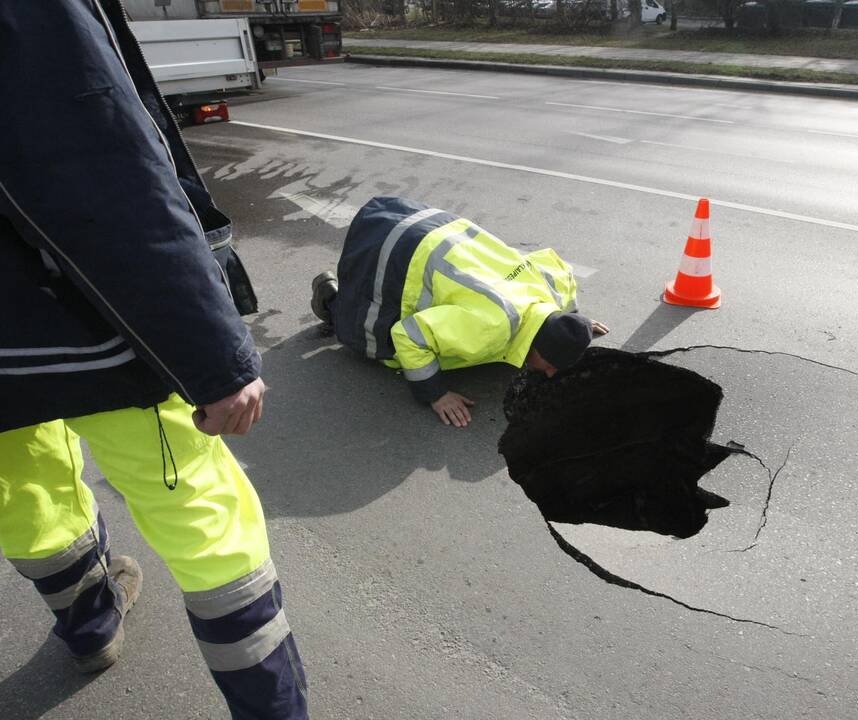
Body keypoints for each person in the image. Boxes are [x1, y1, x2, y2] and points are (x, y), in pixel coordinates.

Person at [0, 3, 307, 718]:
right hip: (82, 330)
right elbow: (95, 167)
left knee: (23, 488)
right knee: (201, 517)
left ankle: (89, 623)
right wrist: (210, 355)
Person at [311, 196, 608, 427]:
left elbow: (560, 269)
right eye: (552, 363)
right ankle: (330, 298)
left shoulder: (550, 292)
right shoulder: (490, 326)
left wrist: (572, 323)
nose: (550, 373)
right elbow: (409, 334)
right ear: (538, 344)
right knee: (369, 336)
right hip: (405, 251)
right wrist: (435, 393)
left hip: (444, 232)